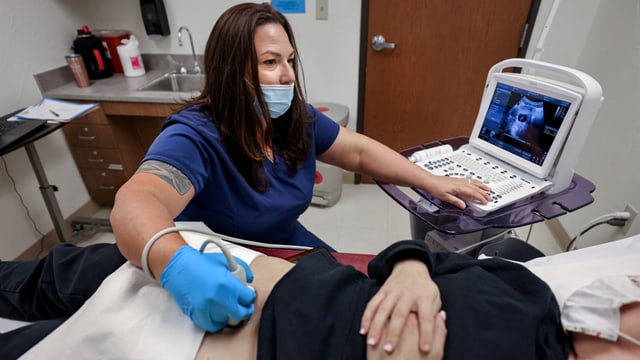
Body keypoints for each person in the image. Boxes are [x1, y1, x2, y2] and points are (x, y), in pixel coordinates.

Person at [106, 0, 489, 348]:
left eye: (290, 60)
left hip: (288, 240)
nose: (288, 75)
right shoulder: (195, 135)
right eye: (271, 62)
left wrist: (430, 180)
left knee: (358, 292)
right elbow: (134, 203)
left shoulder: (293, 119)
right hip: (230, 260)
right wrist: (175, 265)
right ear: (229, 70)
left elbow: (356, 151)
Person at [5, 239, 638, 359]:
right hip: (239, 271)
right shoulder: (528, 289)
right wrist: (414, 268)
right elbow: (420, 253)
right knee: (54, 278)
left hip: (204, 345)